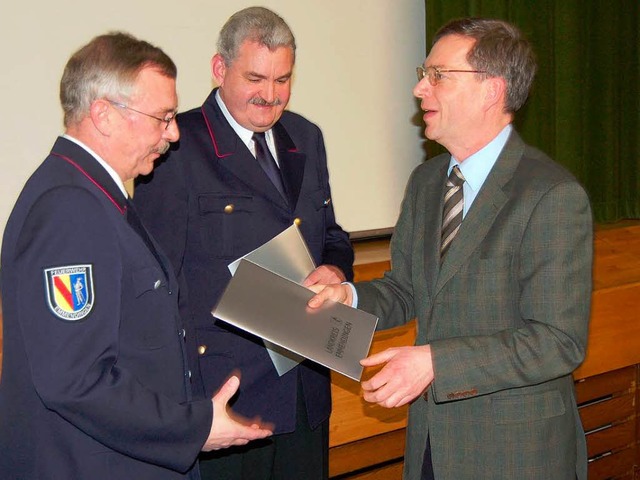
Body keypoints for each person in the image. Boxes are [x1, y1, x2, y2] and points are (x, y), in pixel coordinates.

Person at [308, 17, 593, 480]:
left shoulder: (551, 195)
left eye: (437, 75)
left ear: (491, 90)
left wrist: (436, 362)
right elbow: (406, 289)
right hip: (431, 446)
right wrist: (351, 298)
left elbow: (557, 342)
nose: (420, 90)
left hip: (516, 453)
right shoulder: (426, 182)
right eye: (424, 74)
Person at [0, 32, 271, 480]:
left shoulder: (95, 195)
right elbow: (77, 379)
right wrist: (195, 427)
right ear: (104, 115)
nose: (174, 132)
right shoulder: (70, 208)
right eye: (162, 117)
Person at [134, 7, 354, 480]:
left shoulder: (306, 137)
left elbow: (332, 236)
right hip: (226, 398)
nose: (271, 95)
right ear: (219, 69)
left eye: (282, 79)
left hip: (304, 391)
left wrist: (335, 271)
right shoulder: (176, 146)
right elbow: (156, 283)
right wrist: (178, 408)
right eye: (256, 78)